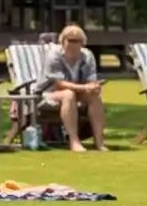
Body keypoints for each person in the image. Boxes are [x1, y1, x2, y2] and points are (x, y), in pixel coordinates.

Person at [43, 24, 108, 152]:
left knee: (94, 96)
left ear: (83, 43)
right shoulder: (54, 56)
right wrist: (84, 87)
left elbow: (91, 78)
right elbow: (59, 83)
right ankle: (74, 141)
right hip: (49, 93)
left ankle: (99, 141)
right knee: (68, 94)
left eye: (78, 41)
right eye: (70, 40)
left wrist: (93, 86)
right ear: (62, 41)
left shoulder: (87, 56)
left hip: (77, 91)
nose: (74, 44)